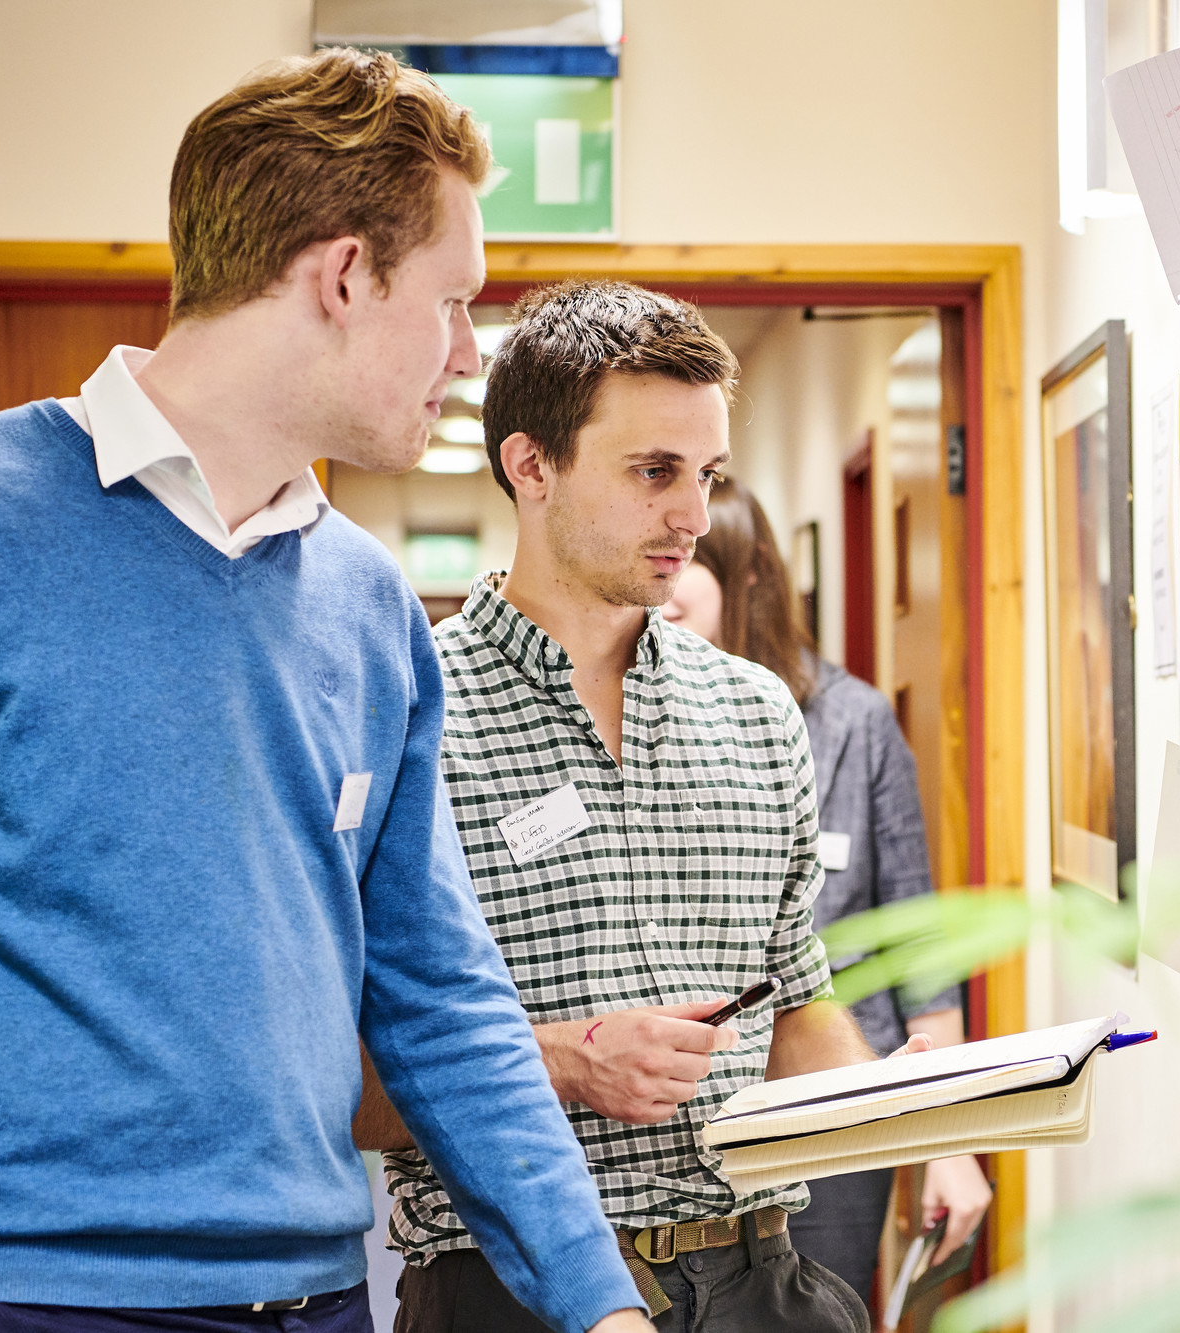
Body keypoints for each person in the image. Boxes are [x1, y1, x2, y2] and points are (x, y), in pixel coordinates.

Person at [0, 51, 647, 1333]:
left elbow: (440, 995)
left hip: (315, 1298)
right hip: (30, 1296)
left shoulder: (370, 607)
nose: (471, 354)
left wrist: (602, 1306)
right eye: (455, 302)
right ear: (347, 275)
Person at [355, 280, 988, 1333]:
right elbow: (338, 1084)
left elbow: (793, 1011)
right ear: (531, 466)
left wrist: (895, 1097)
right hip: (509, 1291)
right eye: (654, 471)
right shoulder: (407, 711)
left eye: (707, 474)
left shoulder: (758, 714)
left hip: (765, 1282)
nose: (693, 516)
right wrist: (566, 1060)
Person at [663, 478, 991, 1305]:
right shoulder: (639, 710)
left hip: (833, 1097)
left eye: (691, 559)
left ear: (747, 577)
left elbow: (919, 945)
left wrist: (947, 1143)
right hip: (689, 1106)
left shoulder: (853, 722)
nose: (664, 582)